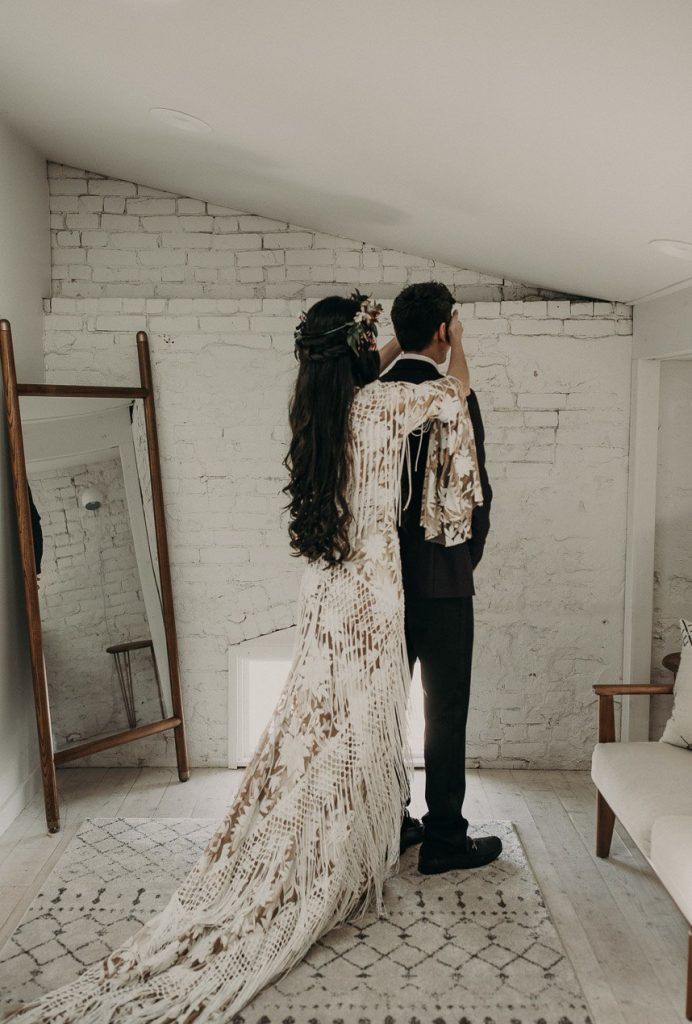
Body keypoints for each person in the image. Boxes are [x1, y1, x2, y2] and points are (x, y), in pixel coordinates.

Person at [7, 291, 485, 1024]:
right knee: (365, 719)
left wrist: (371, 343)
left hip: (323, 591)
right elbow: (456, 389)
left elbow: (364, 370)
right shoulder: (382, 407)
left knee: (323, 718)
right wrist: (453, 337)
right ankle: (348, 842)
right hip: (372, 591)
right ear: (358, 353)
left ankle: (365, 826)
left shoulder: (322, 409)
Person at [382, 282, 501, 875]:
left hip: (380, 584)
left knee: (384, 710)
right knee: (445, 710)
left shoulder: (367, 398)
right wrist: (462, 562)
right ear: (444, 330)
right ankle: (445, 838)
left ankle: (390, 822)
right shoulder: (453, 397)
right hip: (444, 580)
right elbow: (477, 493)